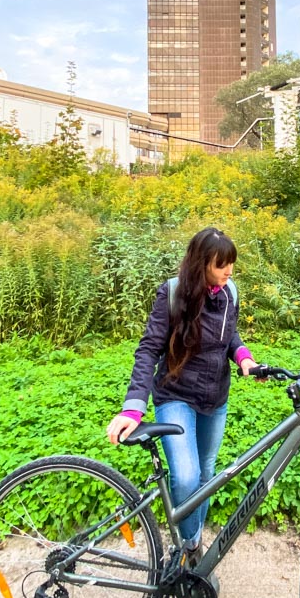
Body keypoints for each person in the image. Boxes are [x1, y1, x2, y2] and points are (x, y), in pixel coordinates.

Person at [106, 226, 257, 563]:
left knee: (206, 476)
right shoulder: (172, 295)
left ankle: (190, 546)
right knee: (187, 477)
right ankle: (189, 547)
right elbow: (148, 350)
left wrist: (243, 356)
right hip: (175, 396)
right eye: (221, 265)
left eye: (231, 264)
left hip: (214, 399)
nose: (229, 272)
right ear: (201, 264)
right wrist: (133, 408)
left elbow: (230, 334)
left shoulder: (229, 291)